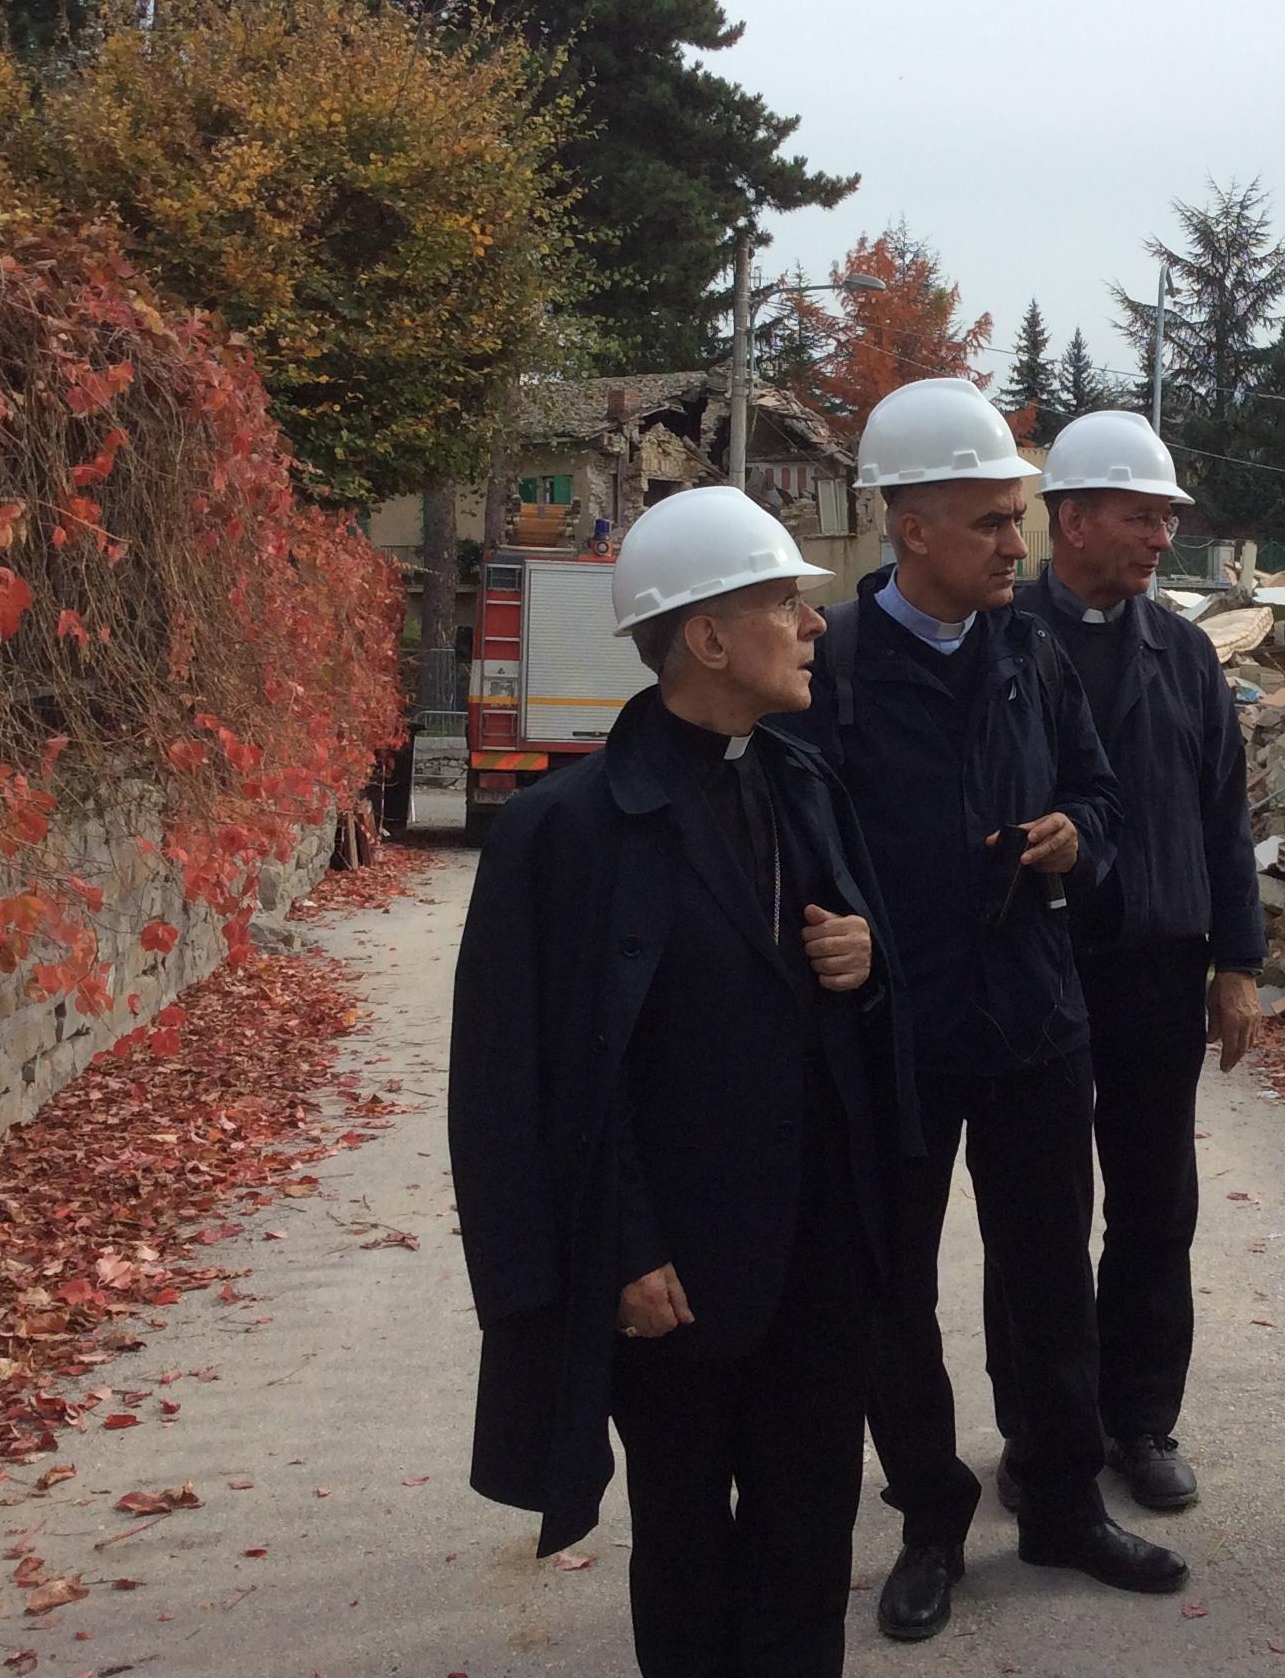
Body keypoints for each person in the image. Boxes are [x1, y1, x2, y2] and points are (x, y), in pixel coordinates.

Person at [447, 485, 912, 1678]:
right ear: (705, 637)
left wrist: (865, 962)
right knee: (689, 1549)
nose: (815, 627)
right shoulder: (564, 833)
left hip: (818, 1256)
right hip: (673, 1279)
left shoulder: (803, 784)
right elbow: (512, 1087)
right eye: (784, 605)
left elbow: (854, 1004)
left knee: (811, 1538)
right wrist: (618, 1249)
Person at [786, 379, 1188, 1641]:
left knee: (1047, 1274)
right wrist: (827, 935)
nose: (1019, 543)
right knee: (890, 1292)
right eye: (991, 523)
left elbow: (1104, 795)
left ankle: (1061, 1496)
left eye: (1018, 520)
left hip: (1031, 1020)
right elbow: (788, 845)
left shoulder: (1033, 656)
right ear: (908, 527)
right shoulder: (838, 669)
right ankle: (928, 1520)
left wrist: (1083, 841)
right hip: (895, 1036)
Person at [979, 410, 1265, 1514]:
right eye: (1143, 516)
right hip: (1039, 966)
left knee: (1155, 1205)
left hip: (1154, 967)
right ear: (1076, 518)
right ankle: (1042, 1429)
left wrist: (1236, 963)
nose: (1161, 537)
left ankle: (1139, 1419)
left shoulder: (1184, 655)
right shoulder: (1006, 641)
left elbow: (1224, 822)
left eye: (1168, 518)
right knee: (1037, 1216)